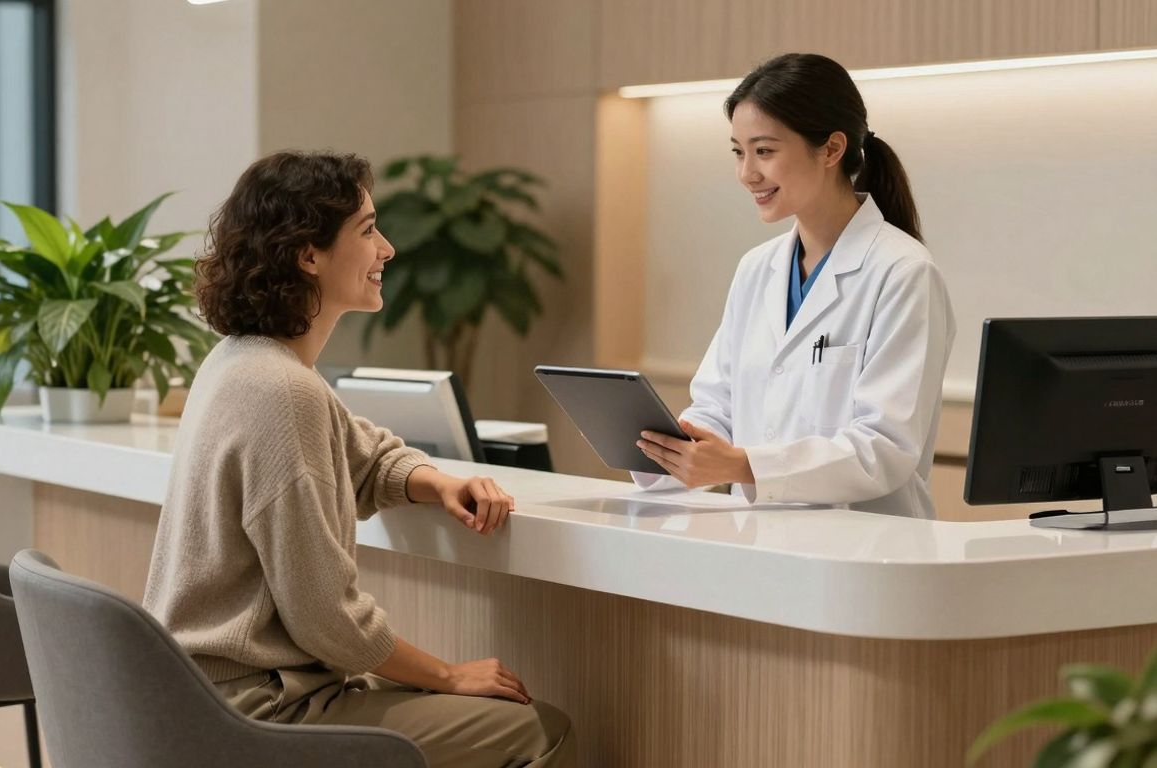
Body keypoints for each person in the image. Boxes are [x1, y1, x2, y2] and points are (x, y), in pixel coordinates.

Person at [143, 150, 575, 767]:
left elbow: (362, 454)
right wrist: (448, 675)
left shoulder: (242, 360)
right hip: (258, 714)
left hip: (204, 697)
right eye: (368, 230)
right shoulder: (283, 389)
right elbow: (328, 620)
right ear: (308, 253)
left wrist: (433, 481)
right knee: (537, 729)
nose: (388, 249)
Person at [634, 53, 956, 519]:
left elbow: (884, 447)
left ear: (830, 149)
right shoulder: (755, 269)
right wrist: (667, 447)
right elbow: (716, 406)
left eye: (764, 151)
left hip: (868, 552)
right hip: (761, 544)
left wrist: (746, 465)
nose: (747, 173)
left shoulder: (903, 272)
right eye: (738, 152)